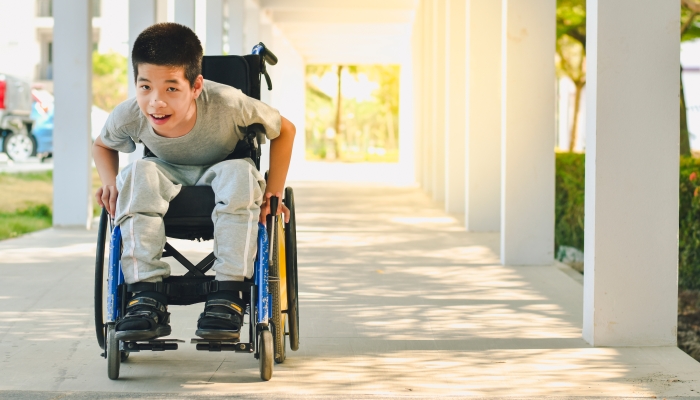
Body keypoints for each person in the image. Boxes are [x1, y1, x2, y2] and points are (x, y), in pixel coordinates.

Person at [92, 23, 295, 342]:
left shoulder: (228, 102)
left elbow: (285, 129)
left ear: (196, 86)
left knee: (241, 174)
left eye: (171, 88)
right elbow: (102, 144)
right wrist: (109, 182)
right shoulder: (130, 114)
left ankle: (229, 293)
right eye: (145, 87)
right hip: (163, 172)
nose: (156, 102)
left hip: (224, 168)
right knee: (135, 174)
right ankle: (145, 294)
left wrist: (273, 190)